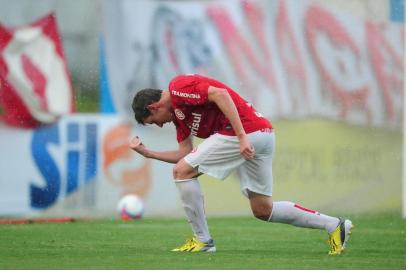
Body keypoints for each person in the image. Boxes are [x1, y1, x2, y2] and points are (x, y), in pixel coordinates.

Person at [130, 74, 353, 255]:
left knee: (181, 172)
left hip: (245, 134)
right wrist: (148, 153)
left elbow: (220, 94)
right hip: (263, 134)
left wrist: (242, 136)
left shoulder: (178, 87)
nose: (159, 126)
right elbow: (185, 153)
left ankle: (203, 241)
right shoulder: (180, 117)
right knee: (263, 209)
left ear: (153, 107)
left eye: (154, 122)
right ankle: (334, 225)